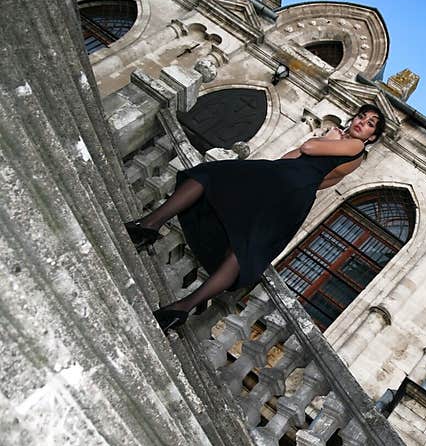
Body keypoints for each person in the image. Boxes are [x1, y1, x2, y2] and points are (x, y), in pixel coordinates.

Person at [125, 103, 386, 333]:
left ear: (372, 137)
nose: (362, 122)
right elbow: (297, 161)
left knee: (210, 176)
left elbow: (307, 147)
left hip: (283, 182)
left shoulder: (354, 146)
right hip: (292, 190)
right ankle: (182, 308)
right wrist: (324, 144)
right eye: (361, 116)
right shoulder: (348, 151)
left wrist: (327, 138)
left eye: (369, 123)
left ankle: (149, 225)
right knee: (243, 249)